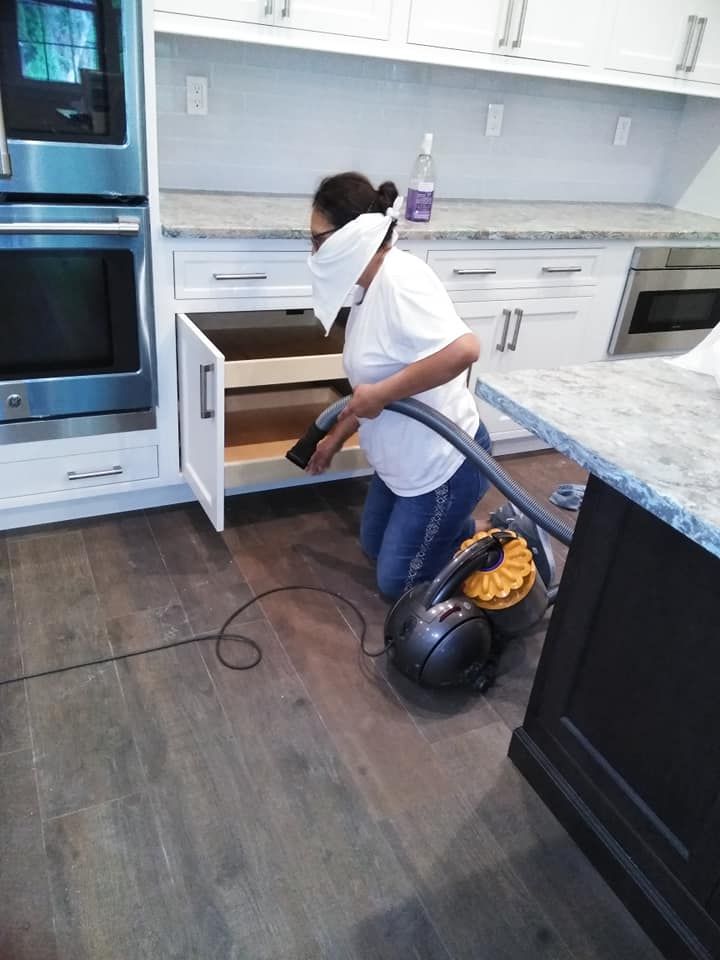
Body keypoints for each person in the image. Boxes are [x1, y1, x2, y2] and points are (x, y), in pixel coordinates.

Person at [306, 172, 491, 600]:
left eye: (318, 240)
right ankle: (457, 529)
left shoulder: (402, 281)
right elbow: (369, 387)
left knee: (397, 584)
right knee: (372, 548)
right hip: (403, 464)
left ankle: (490, 538)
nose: (313, 251)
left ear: (351, 236)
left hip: (445, 466)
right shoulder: (367, 287)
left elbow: (465, 350)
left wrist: (382, 396)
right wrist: (335, 438)